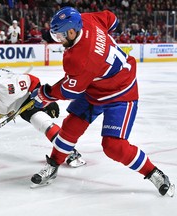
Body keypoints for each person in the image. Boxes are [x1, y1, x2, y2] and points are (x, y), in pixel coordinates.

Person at [29, 7, 175, 197]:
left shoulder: (78, 59)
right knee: (71, 127)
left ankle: (153, 173)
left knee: (113, 146)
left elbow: (69, 89)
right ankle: (54, 165)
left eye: (60, 36)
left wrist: (45, 94)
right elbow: (112, 19)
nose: (59, 41)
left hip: (121, 91)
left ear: (72, 31)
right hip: (95, 88)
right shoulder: (85, 19)